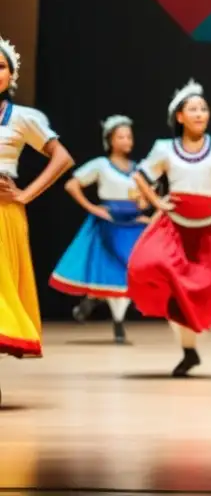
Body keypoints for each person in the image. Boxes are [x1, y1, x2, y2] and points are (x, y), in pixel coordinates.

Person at [127, 80, 211, 376]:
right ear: (180, 116)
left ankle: (189, 352)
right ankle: (188, 350)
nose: (200, 114)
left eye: (203, 109)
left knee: (196, 293)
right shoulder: (165, 149)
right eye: (193, 109)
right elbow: (140, 176)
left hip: (206, 232)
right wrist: (157, 203)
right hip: (172, 228)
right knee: (144, 264)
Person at [0, 36, 74, 404]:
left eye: (0, 66)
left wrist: (26, 194)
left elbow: (62, 158)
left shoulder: (24, 118)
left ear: (11, 74)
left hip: (4, 215)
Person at [51, 115, 150, 344]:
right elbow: (71, 184)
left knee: (128, 274)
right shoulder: (101, 165)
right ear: (110, 139)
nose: (126, 140)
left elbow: (145, 201)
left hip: (132, 225)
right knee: (113, 271)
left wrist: (143, 207)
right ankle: (112, 318)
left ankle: (98, 304)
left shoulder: (139, 169)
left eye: (129, 136)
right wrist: (93, 208)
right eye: (120, 136)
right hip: (109, 225)